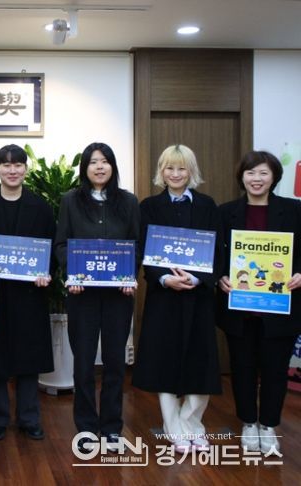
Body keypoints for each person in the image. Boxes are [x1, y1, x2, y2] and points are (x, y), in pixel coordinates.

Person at [132, 144, 221, 453]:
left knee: (201, 362)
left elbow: (217, 249)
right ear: (162, 171)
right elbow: (145, 249)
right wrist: (165, 278)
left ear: (191, 171)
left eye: (182, 168)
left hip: (199, 297)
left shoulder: (208, 206)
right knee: (164, 362)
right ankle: (174, 429)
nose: (175, 173)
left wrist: (196, 279)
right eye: (169, 168)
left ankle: (192, 423)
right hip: (164, 297)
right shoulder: (149, 206)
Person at [54, 142, 140, 452]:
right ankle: (87, 427)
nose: (99, 167)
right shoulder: (70, 201)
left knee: (115, 362)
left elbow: (136, 244)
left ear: (112, 166)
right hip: (83, 296)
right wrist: (73, 273)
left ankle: (112, 428)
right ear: (85, 168)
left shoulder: (128, 201)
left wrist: (130, 276)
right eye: (93, 162)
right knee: (84, 362)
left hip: (119, 296)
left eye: (104, 161)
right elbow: (61, 244)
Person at [0, 144, 55, 441]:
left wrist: (47, 273)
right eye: (6, 165)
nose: (12, 170)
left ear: (25, 169)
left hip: (30, 295)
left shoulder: (41, 207)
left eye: (18, 164)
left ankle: (29, 418)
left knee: (29, 359)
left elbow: (51, 249)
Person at [218, 150, 301, 454]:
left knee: (275, 369)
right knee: (242, 367)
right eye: (251, 173)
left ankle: (268, 425)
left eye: (263, 173)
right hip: (239, 306)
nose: (256, 179)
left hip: (280, 306)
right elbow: (217, 254)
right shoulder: (226, 212)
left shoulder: (294, 210)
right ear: (242, 177)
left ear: (274, 177)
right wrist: (220, 277)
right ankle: (248, 422)